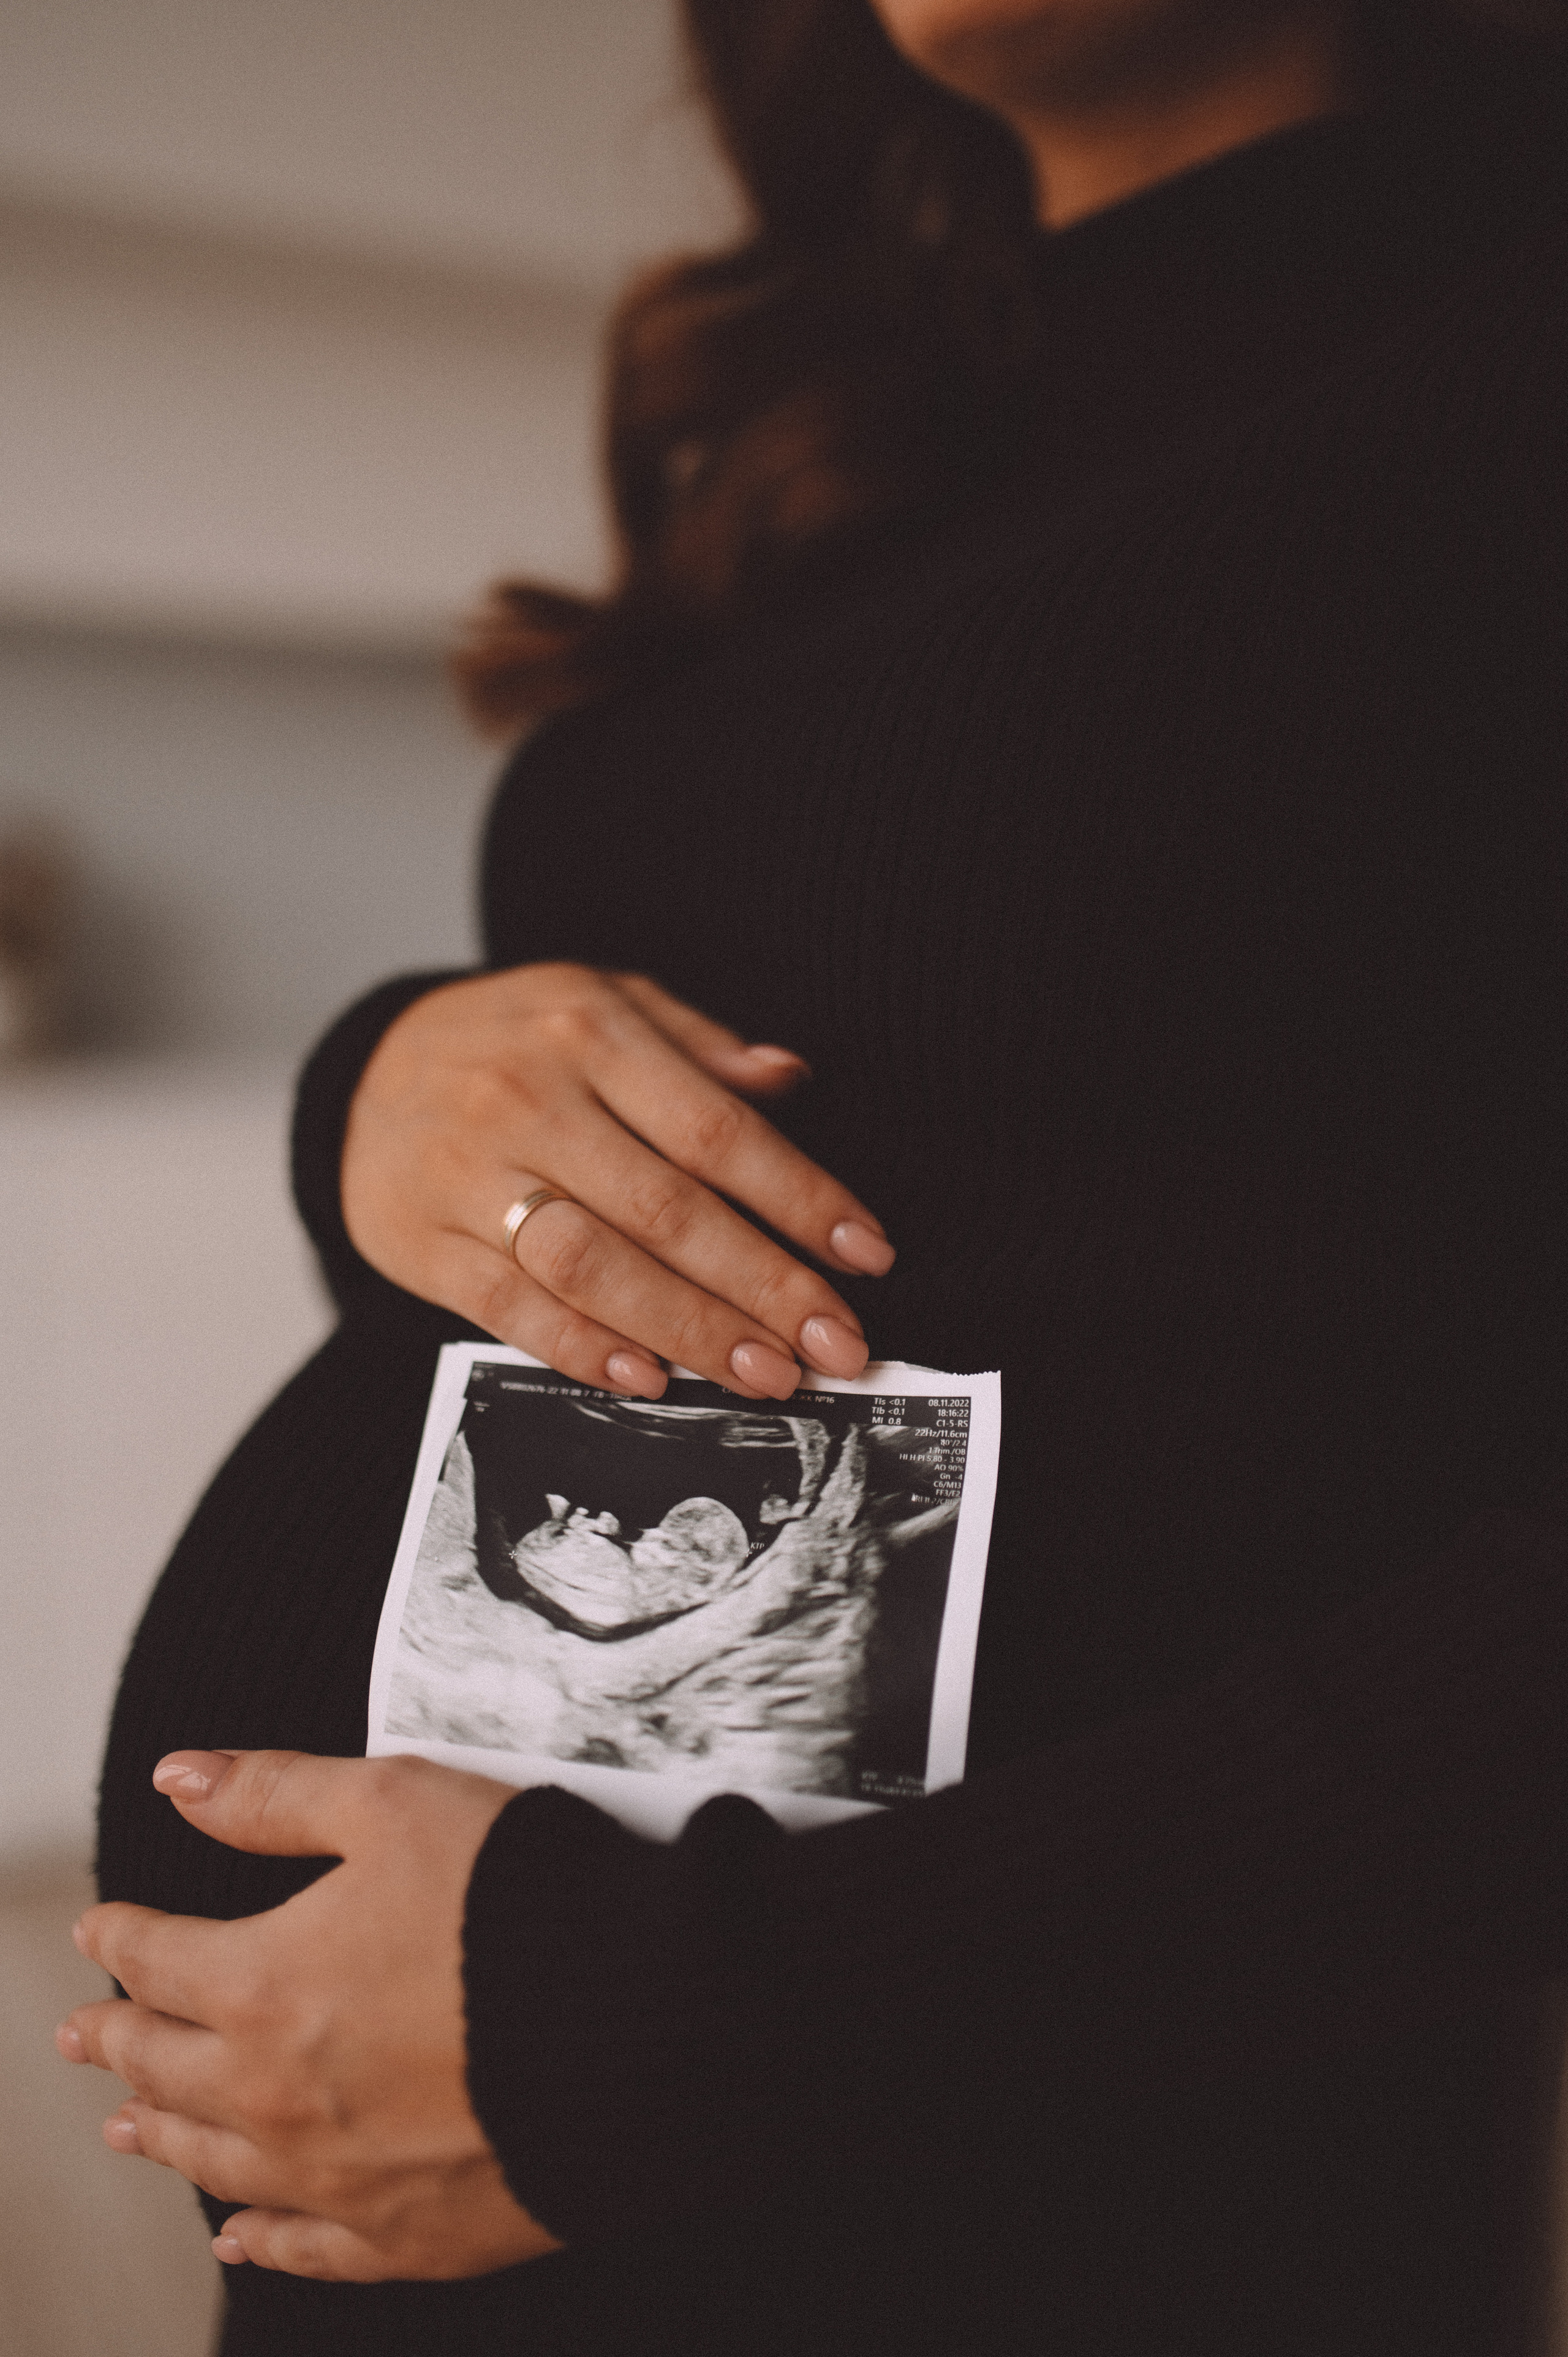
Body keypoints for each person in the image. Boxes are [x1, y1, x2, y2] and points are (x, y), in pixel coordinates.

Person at [55, 0, 1568, 2348]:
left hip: (1012, 2211)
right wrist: (377, 1088)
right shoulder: (862, 418)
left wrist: (713, 2021)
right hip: (498, 2183)